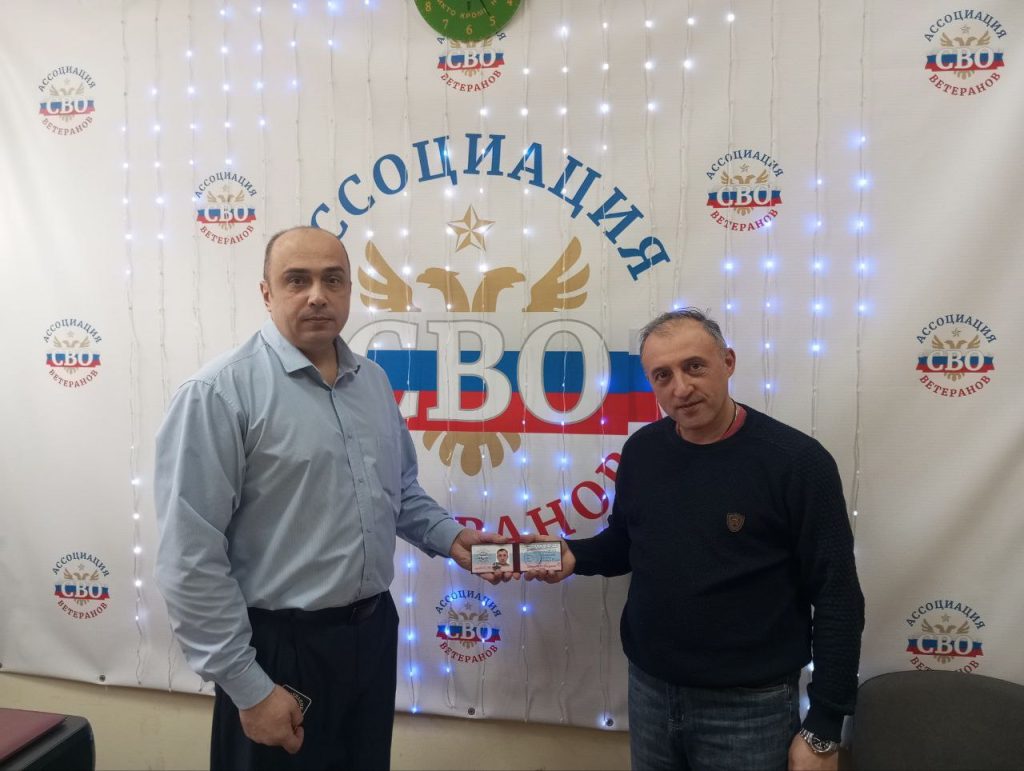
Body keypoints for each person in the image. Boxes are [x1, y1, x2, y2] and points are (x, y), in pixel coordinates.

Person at [154, 226, 497, 770]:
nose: (317, 295)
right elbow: (188, 558)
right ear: (266, 293)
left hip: (372, 636)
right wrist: (248, 688)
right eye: (297, 280)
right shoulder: (218, 394)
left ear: (349, 291)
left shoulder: (373, 382)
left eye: (332, 280)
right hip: (277, 651)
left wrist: (453, 539)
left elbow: (399, 490)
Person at [525, 308, 865, 771]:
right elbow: (626, 543)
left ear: (728, 362)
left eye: (694, 367)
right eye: (662, 375)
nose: (680, 388)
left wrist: (824, 728)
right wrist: (567, 555)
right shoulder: (642, 450)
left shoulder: (797, 462)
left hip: (751, 707)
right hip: (650, 691)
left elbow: (837, 595)